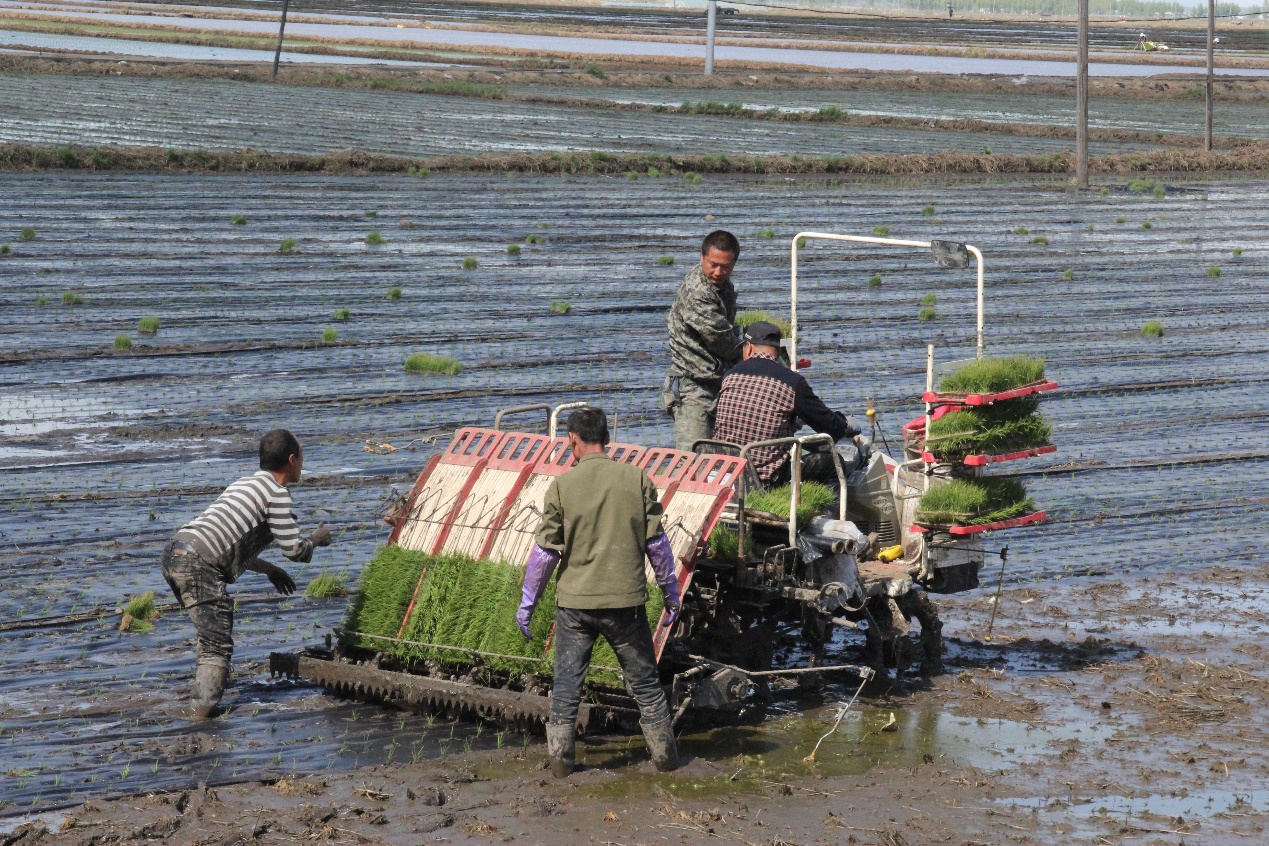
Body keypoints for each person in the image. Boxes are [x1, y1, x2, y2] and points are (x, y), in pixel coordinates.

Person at [516, 408, 683, 777]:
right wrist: (671, 593)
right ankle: (666, 761)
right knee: (645, 685)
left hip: (575, 605)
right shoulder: (637, 478)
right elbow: (658, 545)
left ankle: (561, 766)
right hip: (626, 604)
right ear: (606, 439)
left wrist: (527, 604)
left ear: (572, 440)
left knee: (566, 687)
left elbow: (544, 555)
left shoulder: (562, 486)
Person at [161, 429, 332, 718]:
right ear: (292, 460)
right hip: (199, 564)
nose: (303, 463)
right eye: (302, 457)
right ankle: (200, 715)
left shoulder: (246, 483)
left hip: (175, 551)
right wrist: (317, 538)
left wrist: (269, 570)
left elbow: (227, 542)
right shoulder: (278, 495)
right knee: (217, 645)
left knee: (209, 632)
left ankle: (201, 698)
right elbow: (296, 551)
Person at [713, 321, 862, 487]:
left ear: (748, 348)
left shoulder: (729, 376)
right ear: (777, 351)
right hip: (764, 479)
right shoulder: (792, 382)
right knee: (834, 461)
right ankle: (831, 510)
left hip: (725, 473)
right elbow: (830, 426)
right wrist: (846, 424)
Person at [665, 230, 743, 452]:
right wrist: (752, 352)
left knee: (722, 457)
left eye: (725, 266)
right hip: (692, 388)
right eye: (713, 264)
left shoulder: (723, 287)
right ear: (702, 257)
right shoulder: (698, 291)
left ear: (734, 264)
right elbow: (722, 341)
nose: (718, 271)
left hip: (716, 382)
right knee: (694, 461)